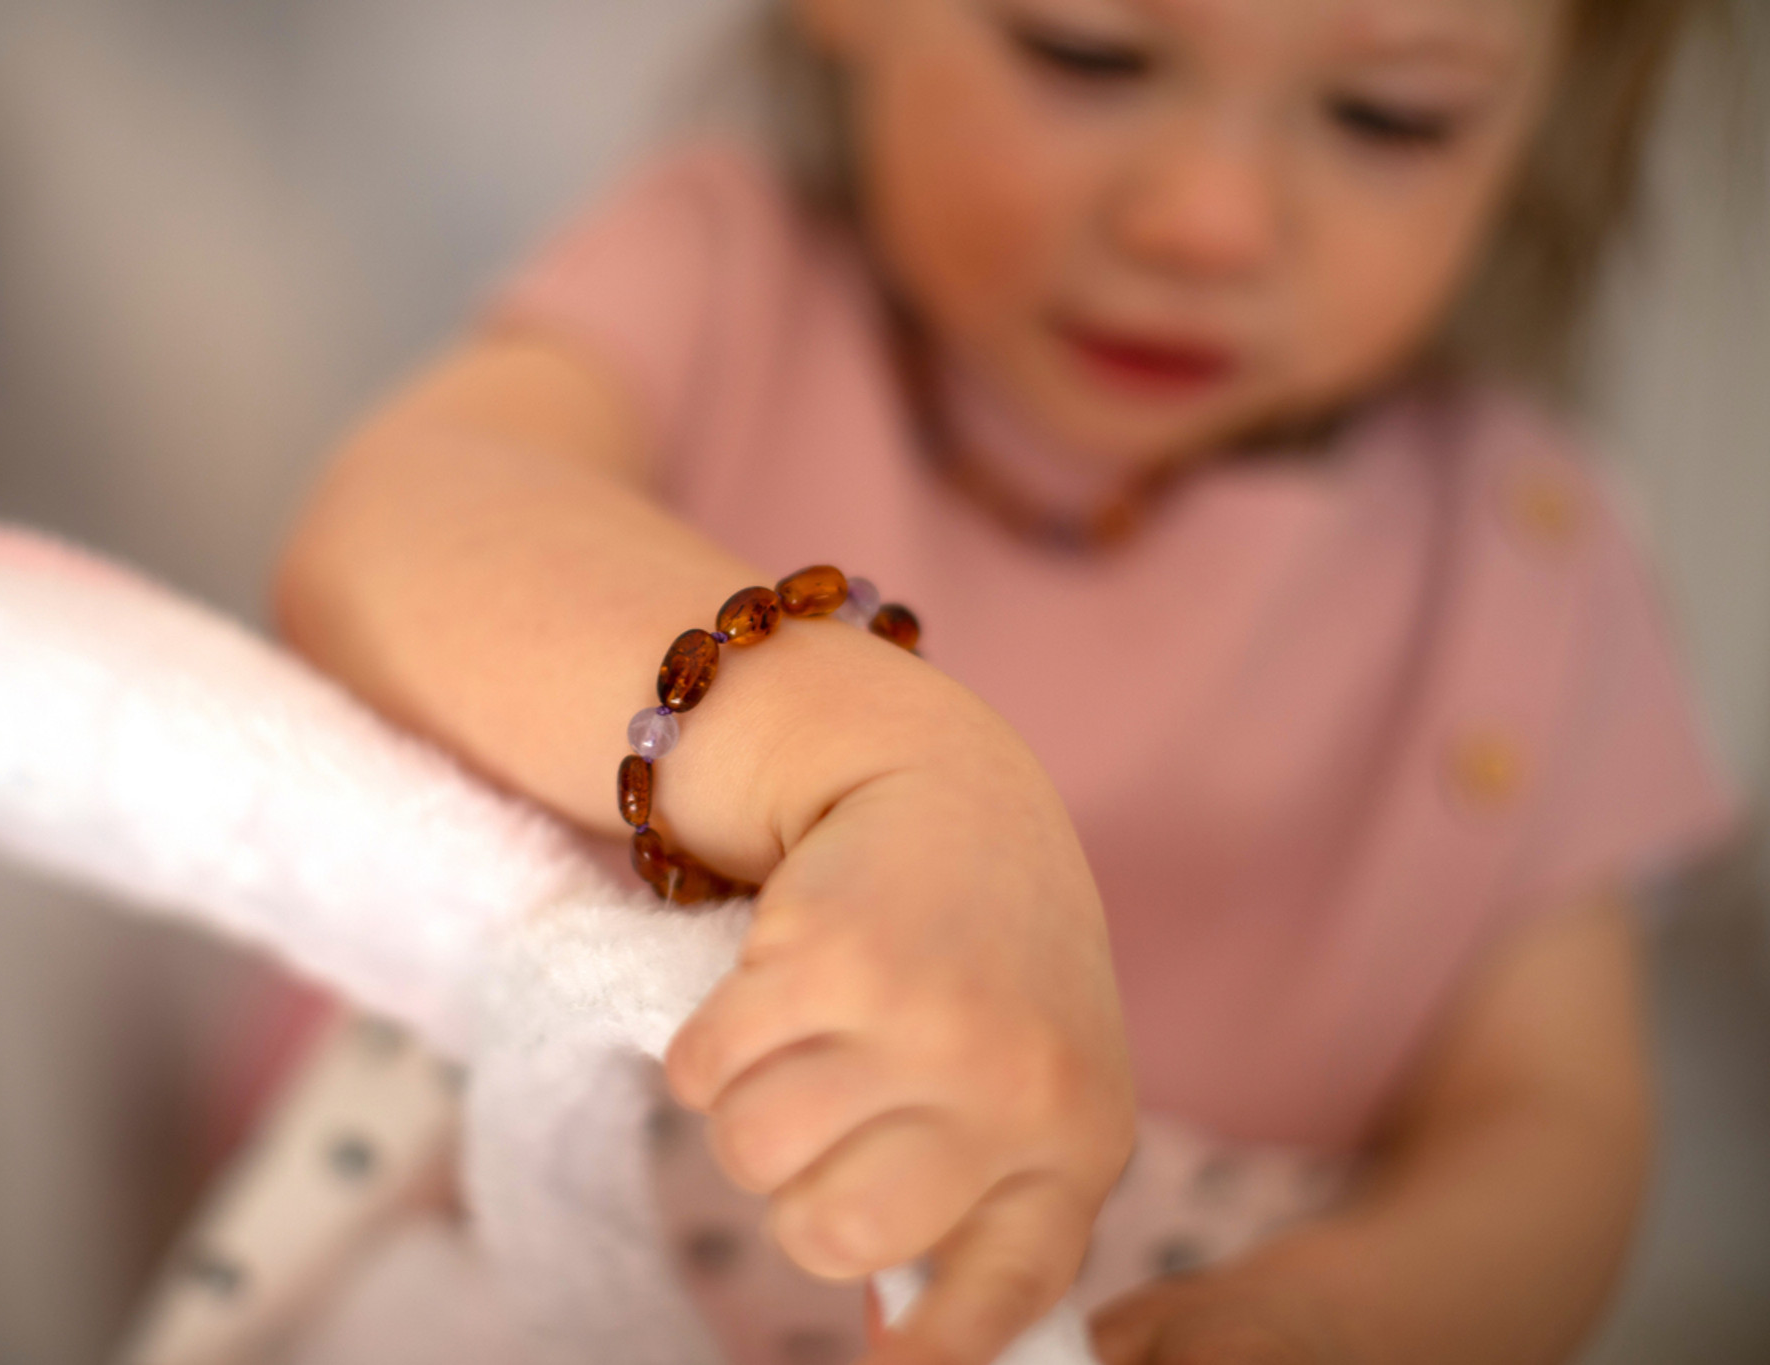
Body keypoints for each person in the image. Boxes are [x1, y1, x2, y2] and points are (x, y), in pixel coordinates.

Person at [272, 1, 1736, 1361]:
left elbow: (1552, 1125)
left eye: (1390, 119)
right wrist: (861, 759)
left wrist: (1359, 1311)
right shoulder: (724, 283)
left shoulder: (1526, 566)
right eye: (1088, 53)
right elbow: (390, 528)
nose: (1206, 221)